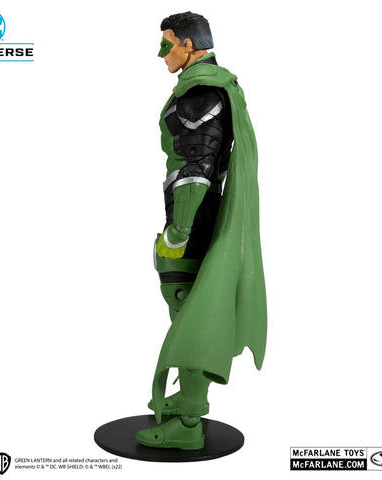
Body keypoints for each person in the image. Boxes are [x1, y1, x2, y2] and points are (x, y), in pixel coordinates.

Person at [135, 12, 267, 450]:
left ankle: (189, 423)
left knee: (188, 307)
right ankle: (191, 395)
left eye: (167, 44)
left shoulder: (200, 92)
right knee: (192, 304)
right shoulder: (213, 86)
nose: (162, 54)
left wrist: (179, 230)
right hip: (197, 210)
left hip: (193, 214)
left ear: (188, 45)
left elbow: (196, 166)